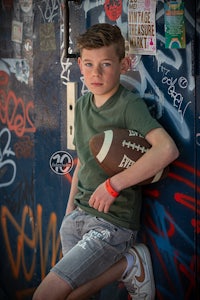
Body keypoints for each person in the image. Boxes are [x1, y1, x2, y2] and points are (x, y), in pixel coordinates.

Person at [33, 23, 179, 300]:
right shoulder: (83, 104)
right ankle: (128, 265)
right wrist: (68, 212)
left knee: (49, 294)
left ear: (123, 65)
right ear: (80, 66)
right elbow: (83, 163)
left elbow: (167, 150)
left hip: (112, 223)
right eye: (88, 64)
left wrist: (114, 185)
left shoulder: (128, 105)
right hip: (77, 217)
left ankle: (129, 262)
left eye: (105, 64)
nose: (95, 73)